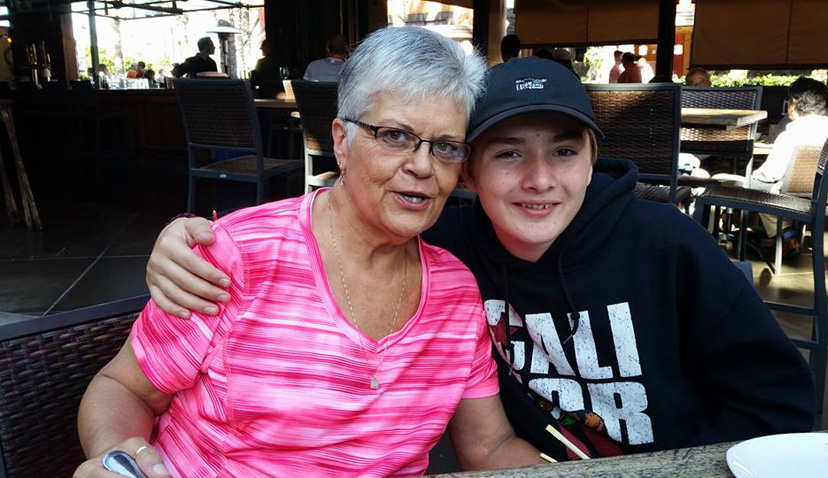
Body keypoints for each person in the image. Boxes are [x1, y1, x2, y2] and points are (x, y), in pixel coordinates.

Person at [145, 57, 815, 462]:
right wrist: (189, 236)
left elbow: (778, 402)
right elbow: (347, 216)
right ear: (468, 174)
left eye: (564, 151)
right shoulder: (445, 247)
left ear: (592, 159)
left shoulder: (667, 245)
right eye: (508, 154)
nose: (540, 179)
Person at [74, 27, 542, 478]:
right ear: (341, 141)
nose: (422, 166)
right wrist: (117, 458)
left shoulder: (455, 292)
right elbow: (124, 388)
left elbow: (489, 447)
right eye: (395, 136)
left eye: (445, 147)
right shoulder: (237, 257)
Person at [713, 77, 828, 238]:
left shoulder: (791, 133)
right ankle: (778, 233)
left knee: (731, 183)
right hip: (824, 191)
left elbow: (770, 174)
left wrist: (752, 176)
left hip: (789, 195)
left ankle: (785, 234)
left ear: (793, 104)